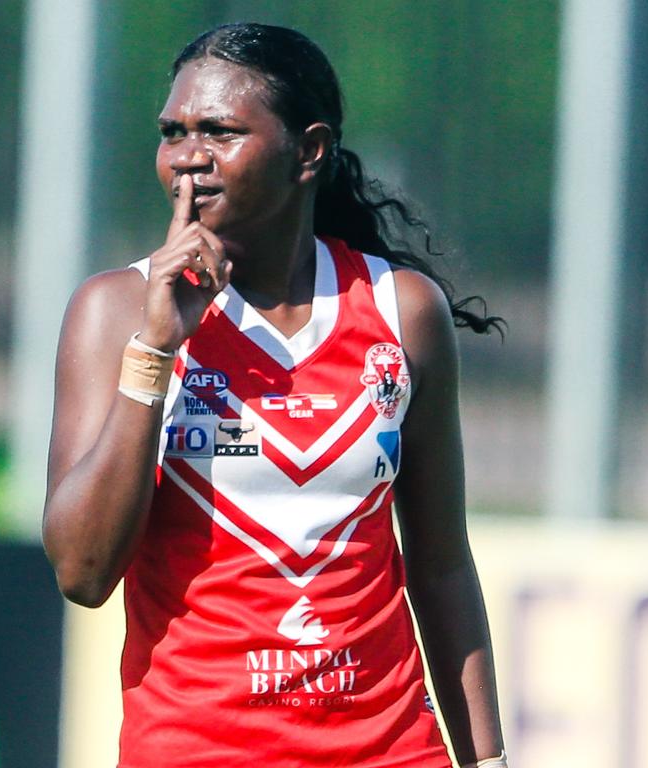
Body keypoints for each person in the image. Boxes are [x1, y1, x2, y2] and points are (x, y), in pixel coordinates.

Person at [42, 22, 507, 768]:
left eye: (220, 131)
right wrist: (155, 351)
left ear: (310, 151)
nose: (189, 157)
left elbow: (442, 564)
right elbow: (83, 572)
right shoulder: (117, 310)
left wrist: (488, 761)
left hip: (388, 750)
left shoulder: (402, 313)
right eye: (173, 132)